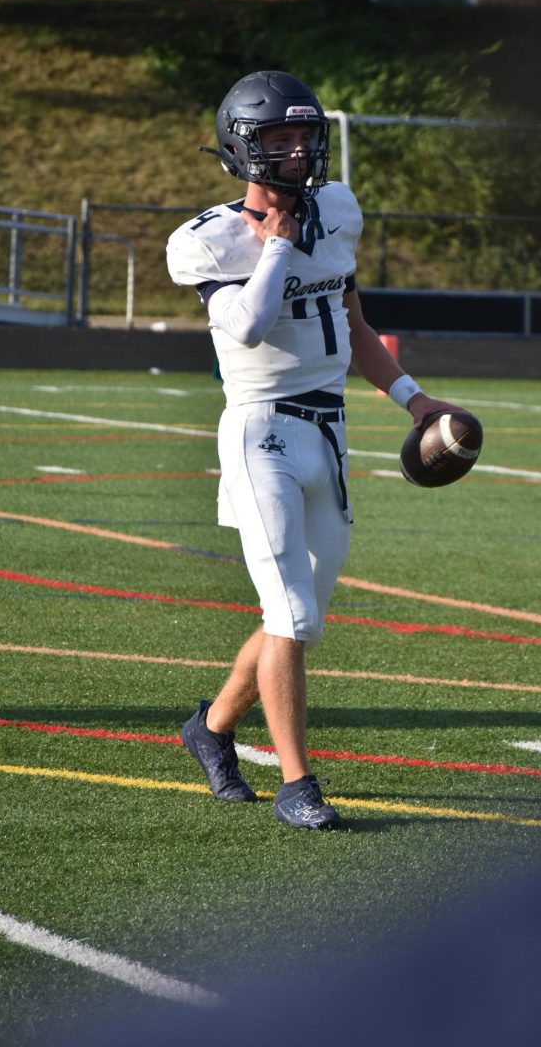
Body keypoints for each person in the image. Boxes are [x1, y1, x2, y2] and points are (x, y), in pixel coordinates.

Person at [167, 70, 458, 830]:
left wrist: (415, 399)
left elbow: (354, 327)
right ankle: (299, 783)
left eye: (305, 136)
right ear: (242, 147)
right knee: (289, 612)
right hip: (260, 430)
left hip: (328, 434)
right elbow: (251, 325)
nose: (297, 152)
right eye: (278, 139)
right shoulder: (206, 239)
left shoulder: (340, 209)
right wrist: (276, 248)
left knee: (295, 619)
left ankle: (212, 727)